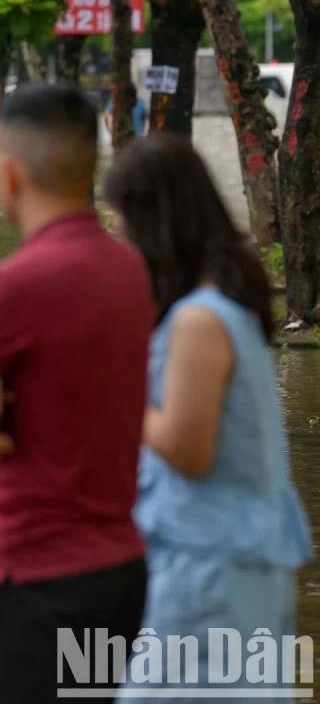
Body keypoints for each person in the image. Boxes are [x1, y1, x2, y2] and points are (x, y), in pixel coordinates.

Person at [0, 83, 153, 703]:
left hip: (33, 574)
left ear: (7, 170)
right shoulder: (131, 269)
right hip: (121, 565)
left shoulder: (16, 284)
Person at [104, 138, 312, 701]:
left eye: (122, 225)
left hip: (211, 566)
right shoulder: (224, 304)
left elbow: (187, 449)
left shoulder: (199, 321)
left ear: (153, 221)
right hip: (236, 554)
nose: (120, 241)